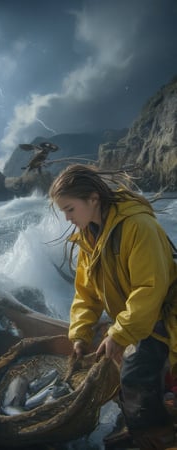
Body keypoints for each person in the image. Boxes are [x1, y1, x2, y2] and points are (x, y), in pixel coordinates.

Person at [49, 164, 177, 450]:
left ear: (93, 199)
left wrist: (120, 334)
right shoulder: (89, 235)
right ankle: (140, 419)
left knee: (134, 374)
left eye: (70, 209)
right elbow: (86, 293)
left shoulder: (139, 227)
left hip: (163, 314)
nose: (67, 218)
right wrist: (80, 333)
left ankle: (158, 435)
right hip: (137, 316)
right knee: (114, 360)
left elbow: (150, 290)